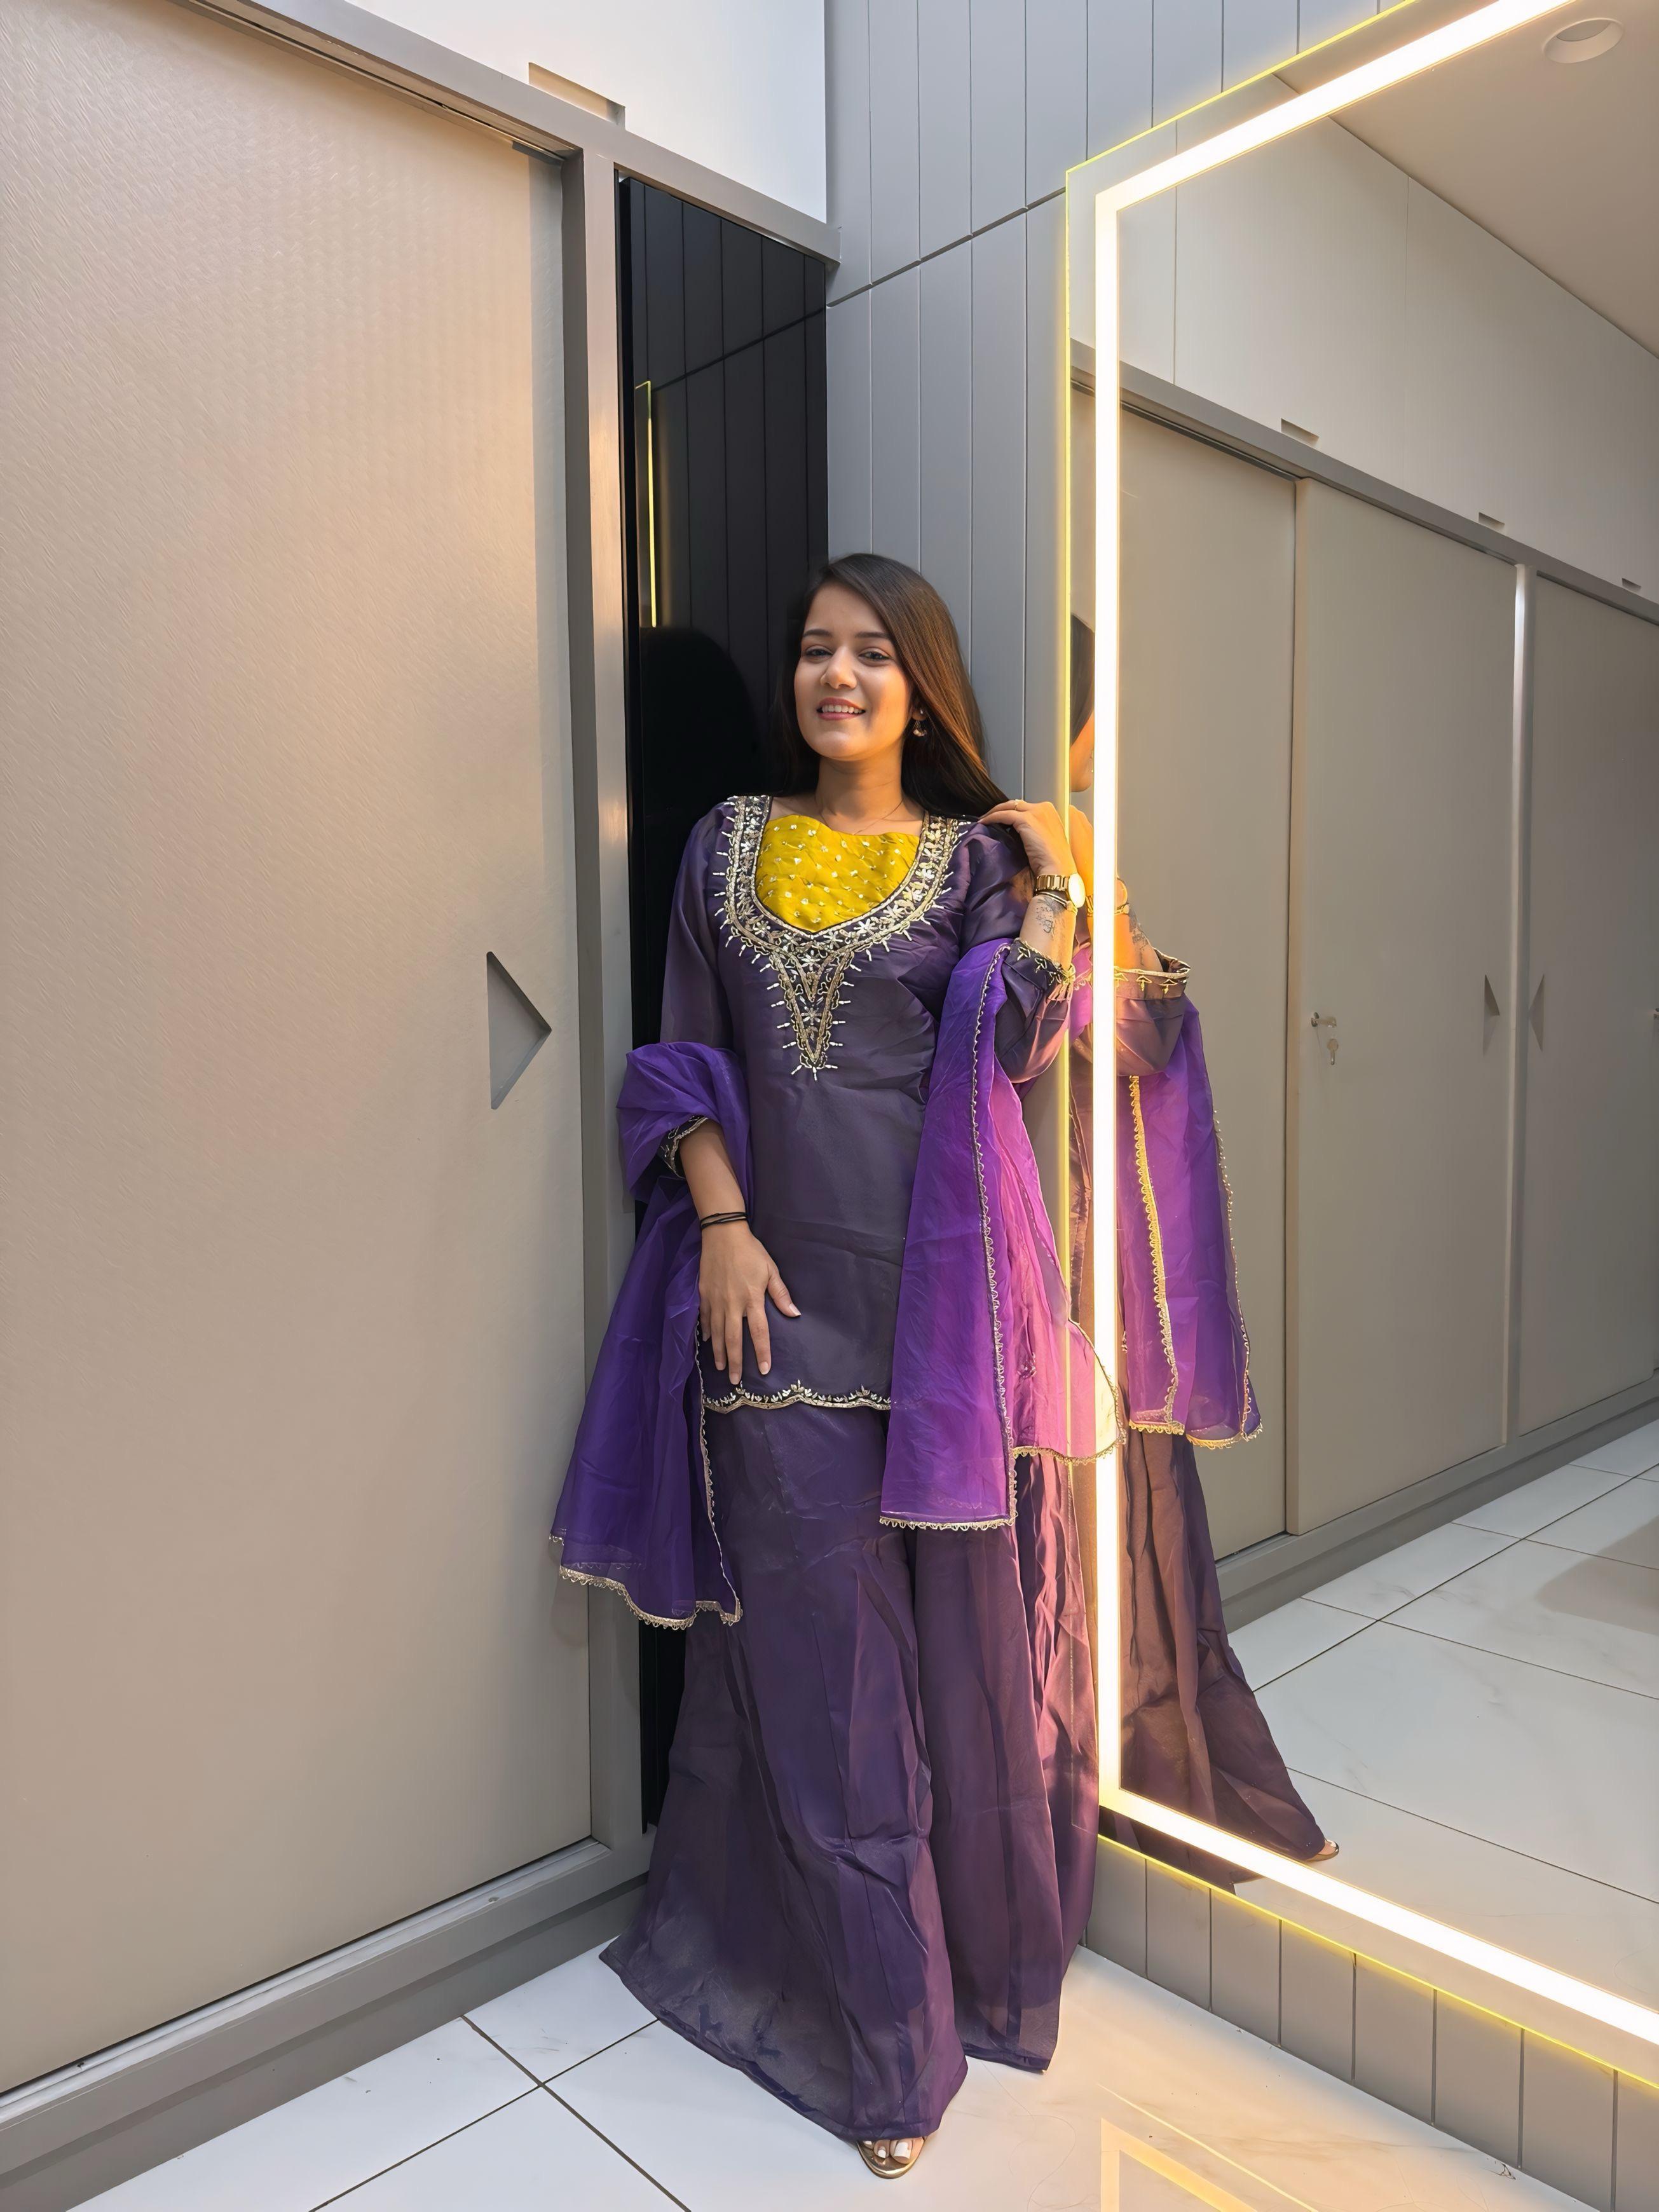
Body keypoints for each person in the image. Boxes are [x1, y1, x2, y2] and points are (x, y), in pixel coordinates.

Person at [1065, 615, 1334, 1883]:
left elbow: (1129, 1035)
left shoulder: (1044, 849)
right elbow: (1131, 1038)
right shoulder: (1036, 849)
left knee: (1110, 1501)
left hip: (1053, 1225)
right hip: (1048, 1225)